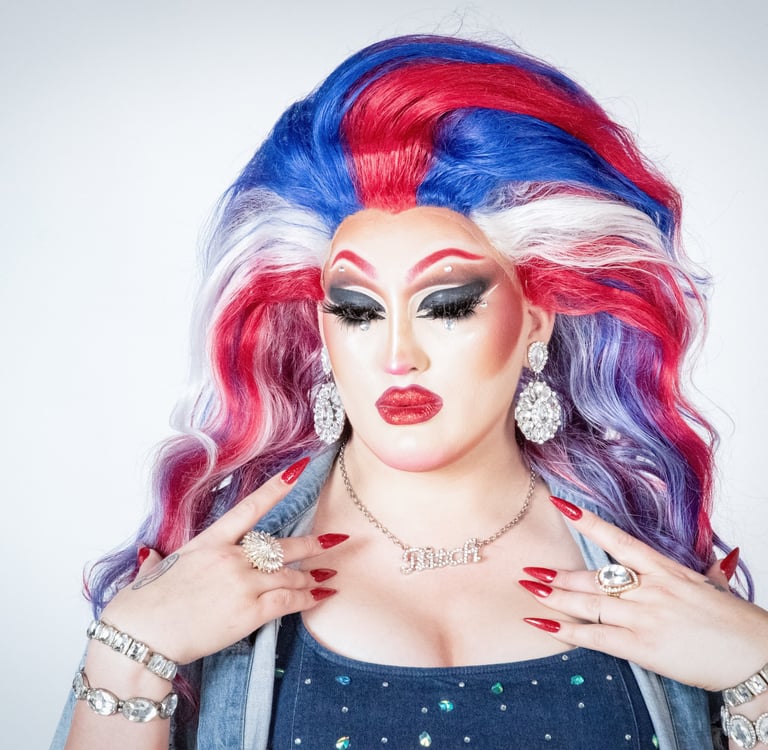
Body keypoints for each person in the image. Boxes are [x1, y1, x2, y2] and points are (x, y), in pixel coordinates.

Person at [52, 34, 768, 750]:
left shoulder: (649, 563)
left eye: (449, 305)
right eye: (359, 311)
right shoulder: (209, 563)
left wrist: (758, 671)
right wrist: (131, 655)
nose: (398, 355)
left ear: (535, 323)